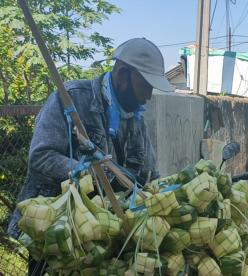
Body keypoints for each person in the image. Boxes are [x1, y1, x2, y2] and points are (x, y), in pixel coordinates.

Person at [7, 38, 172, 274]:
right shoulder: (72, 98)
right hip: (59, 237)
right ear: (124, 75)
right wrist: (88, 172)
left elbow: (150, 175)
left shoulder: (136, 119)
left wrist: (164, 192)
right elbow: (41, 157)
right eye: (146, 85)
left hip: (106, 240)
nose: (148, 95)